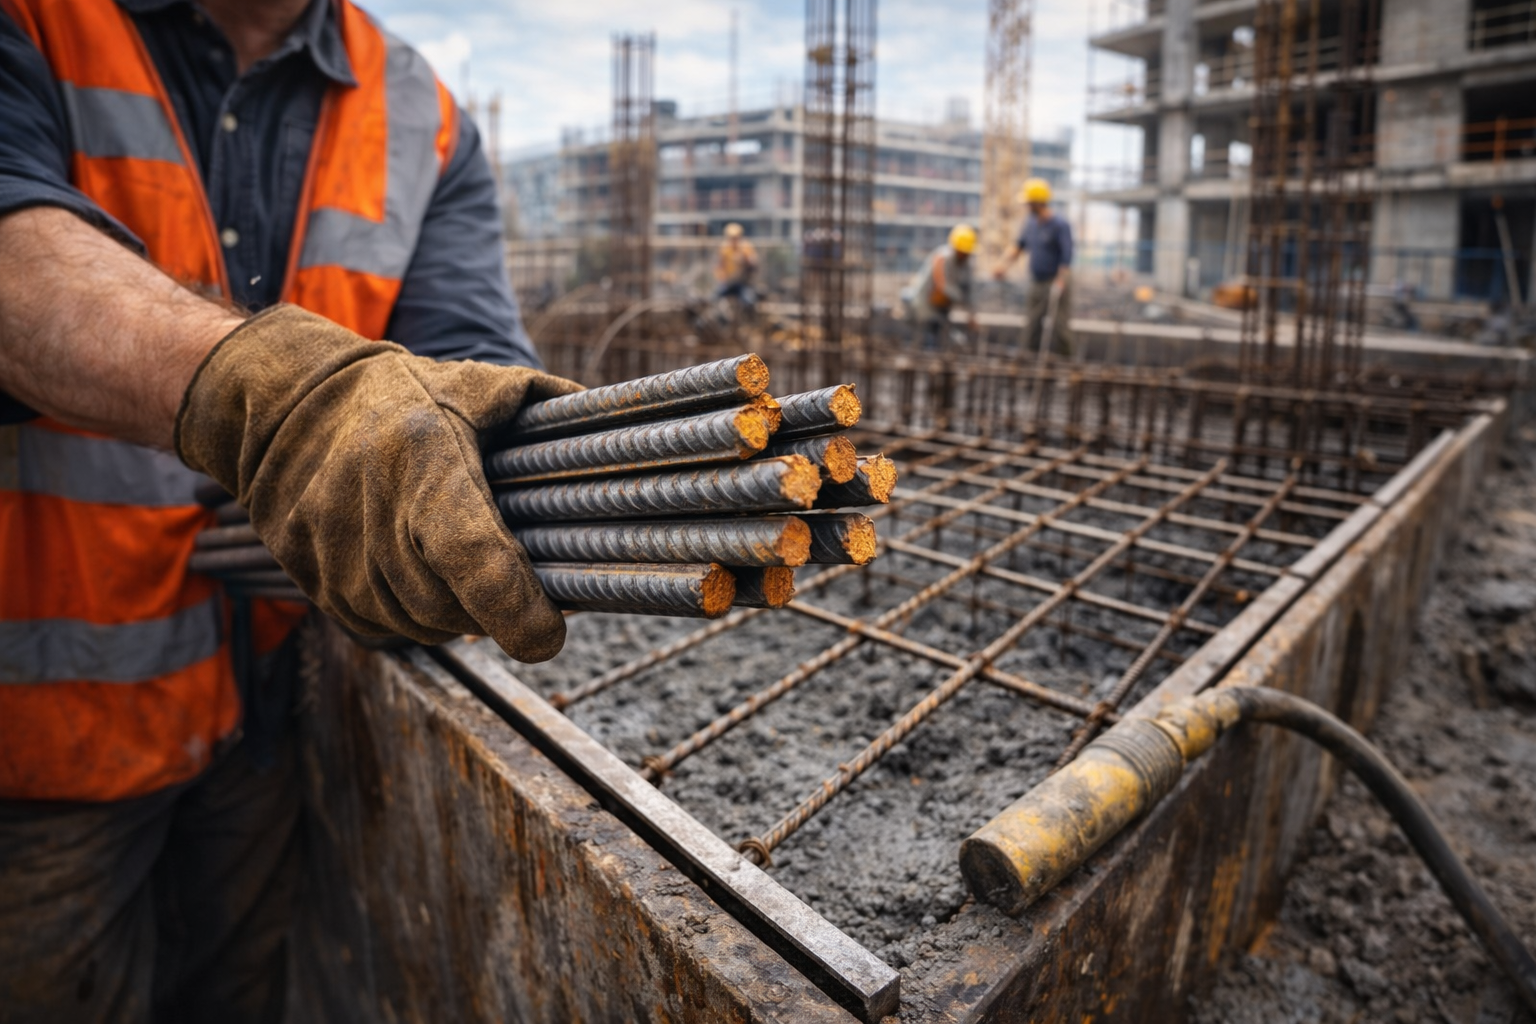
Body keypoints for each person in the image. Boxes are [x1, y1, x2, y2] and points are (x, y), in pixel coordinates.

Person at [0, 0, 577, 1020]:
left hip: (271, 709)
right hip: (43, 745)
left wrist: (464, 464)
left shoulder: (419, 111)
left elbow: (464, 368)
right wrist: (270, 394)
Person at [993, 178, 1075, 357]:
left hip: (1056, 280)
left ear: (1038, 202)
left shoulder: (1060, 225)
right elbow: (1019, 245)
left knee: (1060, 326)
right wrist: (1002, 265)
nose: (1027, 206)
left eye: (1029, 203)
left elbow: (1066, 258)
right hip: (1037, 281)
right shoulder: (1031, 223)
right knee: (1032, 324)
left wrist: (1061, 282)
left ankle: (1066, 362)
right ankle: (1029, 360)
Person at [903, 223, 978, 350]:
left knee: (940, 340)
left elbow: (968, 291)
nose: (966, 255)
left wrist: (971, 313)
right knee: (930, 340)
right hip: (925, 304)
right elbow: (943, 285)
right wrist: (961, 298)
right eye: (963, 252)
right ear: (956, 248)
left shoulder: (965, 265)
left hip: (942, 308)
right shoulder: (942, 257)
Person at [713, 221, 759, 316]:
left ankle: (747, 322)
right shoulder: (725, 249)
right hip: (728, 283)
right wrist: (722, 277)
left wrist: (746, 260)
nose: (733, 240)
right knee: (714, 299)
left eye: (735, 237)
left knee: (749, 301)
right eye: (731, 237)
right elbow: (719, 266)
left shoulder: (746, 248)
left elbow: (753, 265)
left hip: (742, 283)